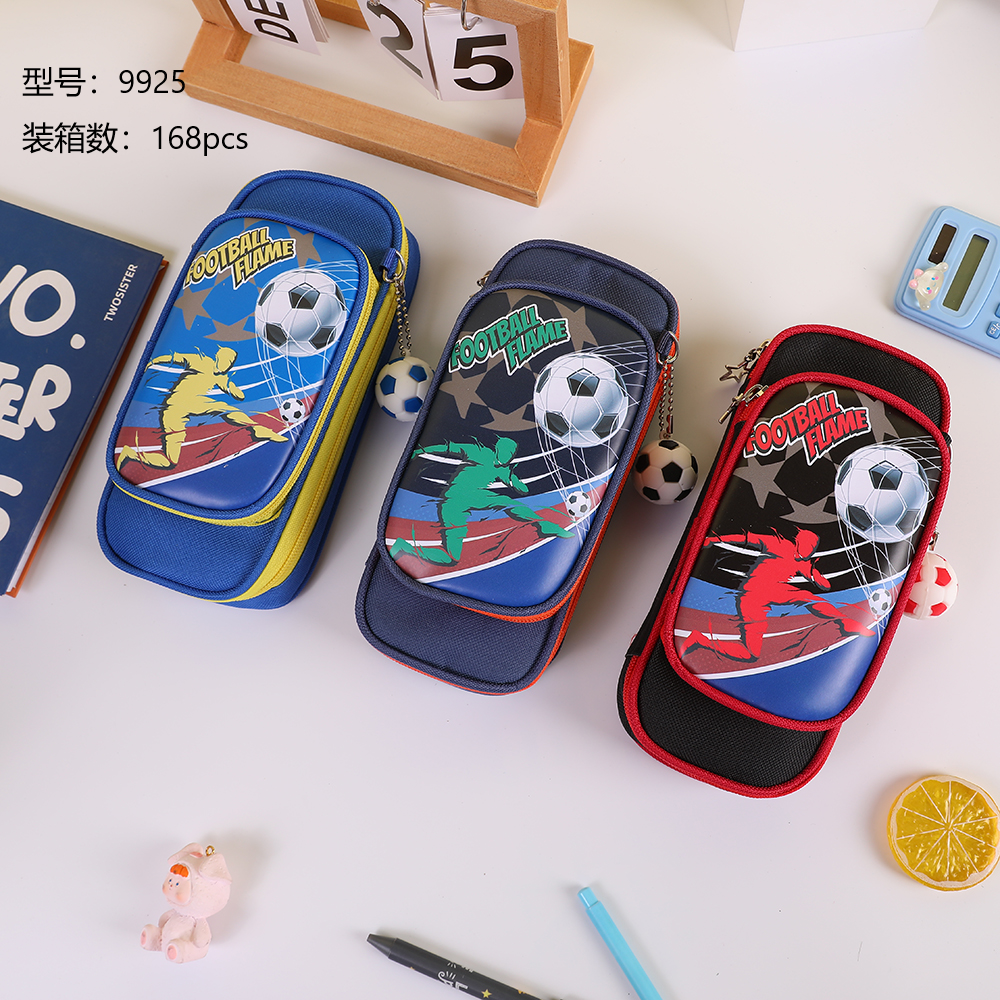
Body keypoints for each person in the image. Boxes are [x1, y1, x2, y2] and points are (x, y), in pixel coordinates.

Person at [676, 528, 873, 662]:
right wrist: (716, 539)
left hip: (772, 593)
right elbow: (748, 539)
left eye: (813, 547)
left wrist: (815, 574)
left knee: (808, 598)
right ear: (799, 542)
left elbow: (825, 584)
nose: (810, 550)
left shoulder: (802, 563)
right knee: (752, 653)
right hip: (754, 594)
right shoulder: (781, 545)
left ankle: (845, 622)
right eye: (808, 545)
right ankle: (701, 640)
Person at [390, 436, 573, 566]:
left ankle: (543, 525)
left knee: (507, 501)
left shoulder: (502, 470)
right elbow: (450, 448)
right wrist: (422, 450)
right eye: (506, 451)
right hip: (454, 501)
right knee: (452, 558)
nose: (508, 456)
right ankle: (405, 547)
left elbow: (523, 490)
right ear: (498, 449)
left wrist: (513, 478)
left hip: (474, 499)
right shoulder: (480, 452)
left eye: (511, 454)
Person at [117, 347, 286, 471]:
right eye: (226, 361)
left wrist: (231, 386)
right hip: (175, 406)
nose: (227, 365)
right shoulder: (201, 362)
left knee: (224, 407)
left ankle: (257, 430)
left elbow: (238, 395)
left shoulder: (221, 377)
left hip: (195, 404)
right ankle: (131, 454)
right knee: (170, 462)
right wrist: (154, 361)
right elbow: (176, 357)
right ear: (219, 357)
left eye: (230, 363)